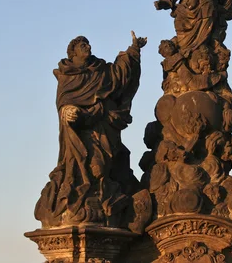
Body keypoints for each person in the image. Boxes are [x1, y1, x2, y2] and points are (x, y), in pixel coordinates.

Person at [34, 32, 147, 228]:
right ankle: (85, 197)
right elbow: (63, 101)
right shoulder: (67, 76)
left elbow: (120, 75)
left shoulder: (101, 70)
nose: (87, 47)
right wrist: (66, 111)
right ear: (73, 52)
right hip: (79, 133)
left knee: (104, 165)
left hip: (103, 128)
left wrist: (133, 50)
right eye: (82, 45)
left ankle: (104, 199)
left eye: (87, 44)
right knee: (90, 166)